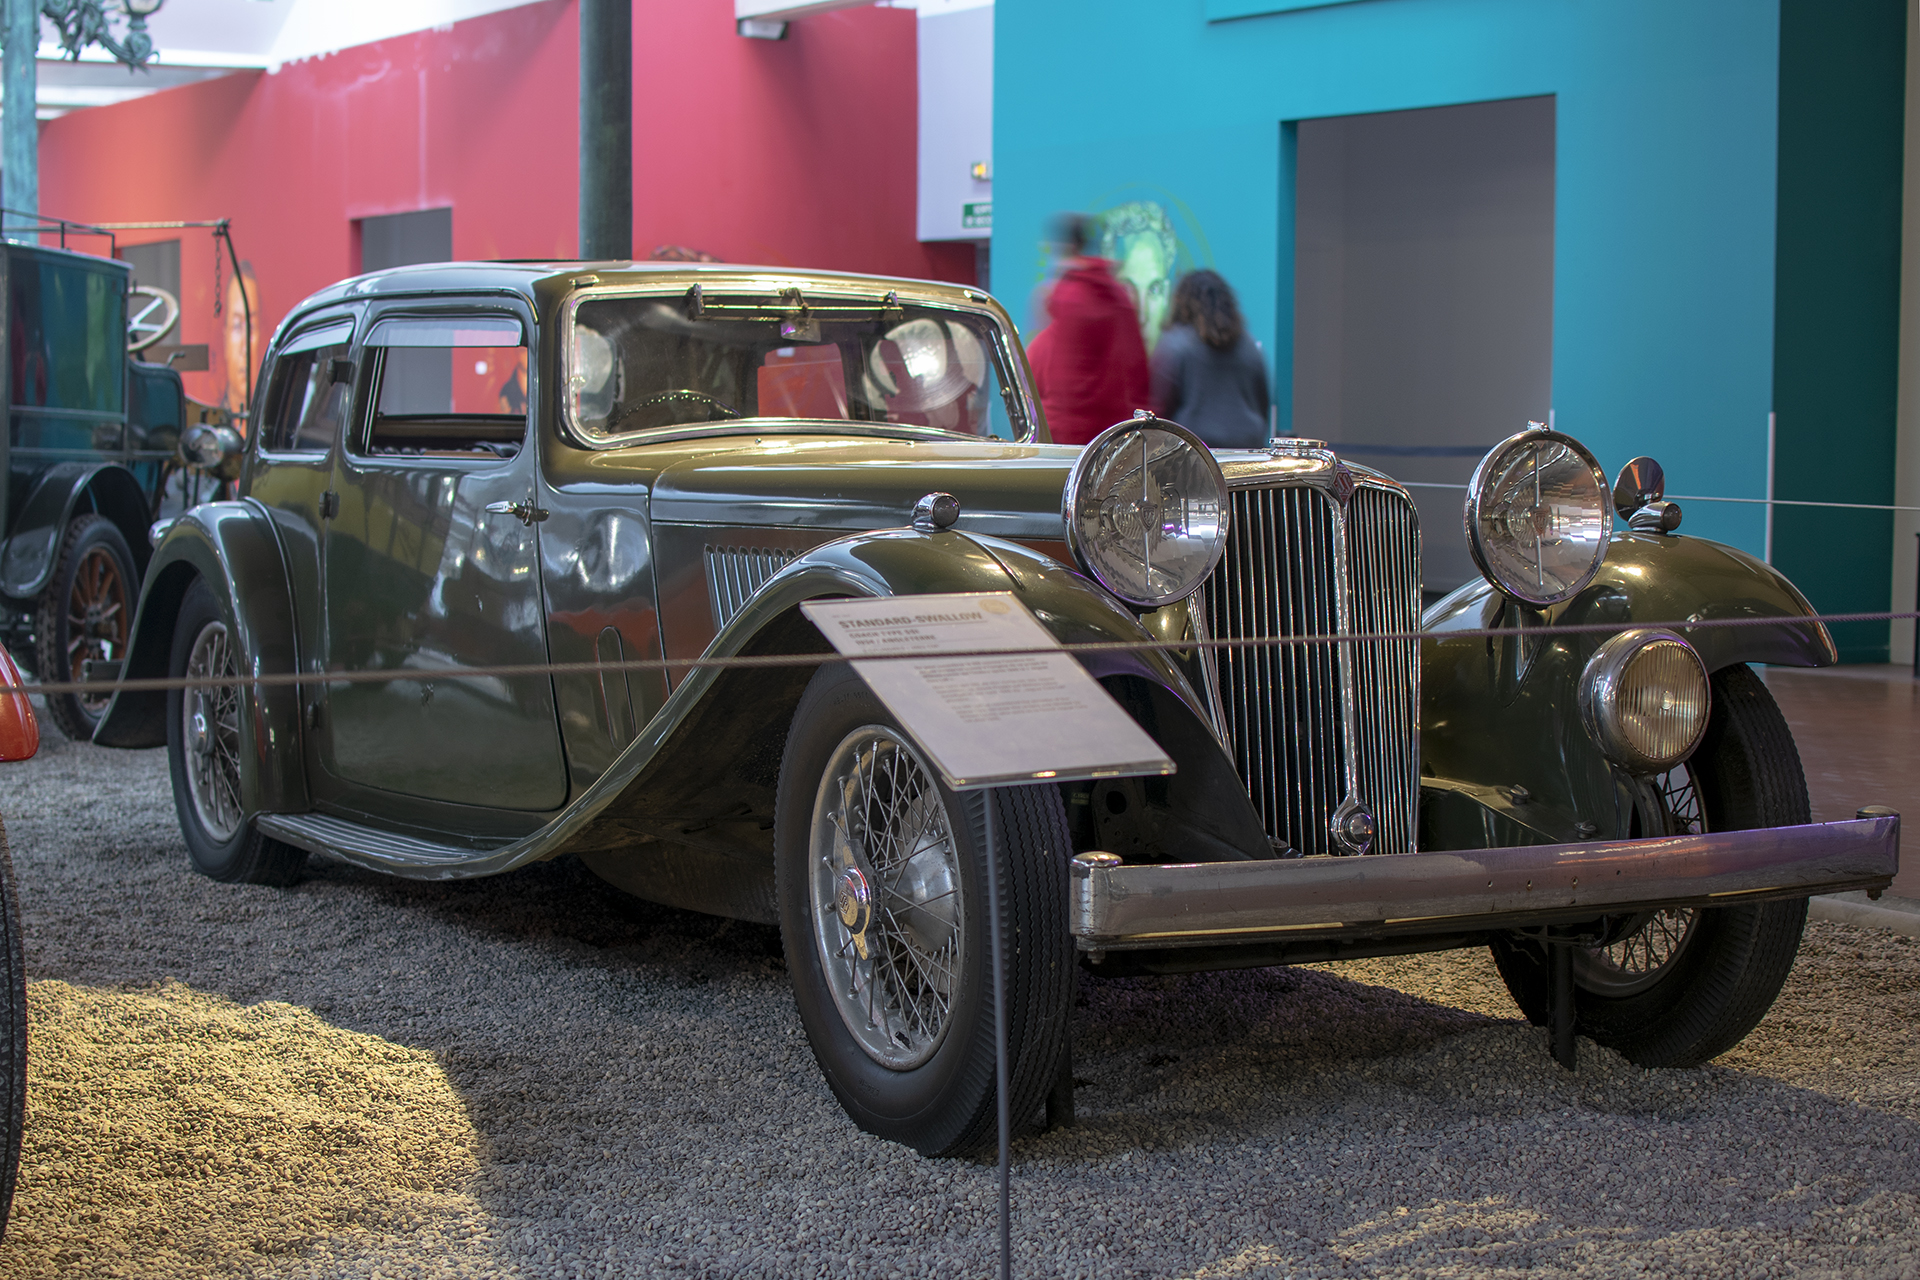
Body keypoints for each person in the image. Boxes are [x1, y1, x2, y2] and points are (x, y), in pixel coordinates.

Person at [1024, 214, 1149, 445]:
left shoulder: (1063, 297)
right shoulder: (1120, 297)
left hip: (1070, 441)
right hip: (1117, 438)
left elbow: (1052, 376)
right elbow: (1136, 368)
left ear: (1066, 247)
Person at [1150, 269, 1271, 449]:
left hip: (1194, 456)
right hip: (1247, 455)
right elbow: (1263, 404)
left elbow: (1157, 411)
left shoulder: (1175, 345)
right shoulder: (1250, 347)